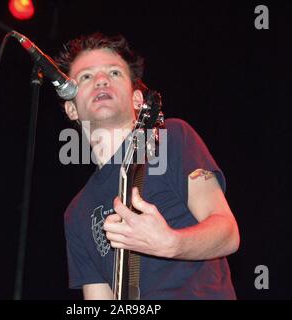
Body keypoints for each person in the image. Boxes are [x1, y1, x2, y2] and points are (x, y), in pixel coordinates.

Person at [55, 33, 240, 300]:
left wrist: (171, 243)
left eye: (114, 73)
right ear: (71, 108)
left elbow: (227, 233)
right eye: (86, 76)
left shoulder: (171, 138)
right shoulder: (76, 213)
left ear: (137, 100)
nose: (101, 80)